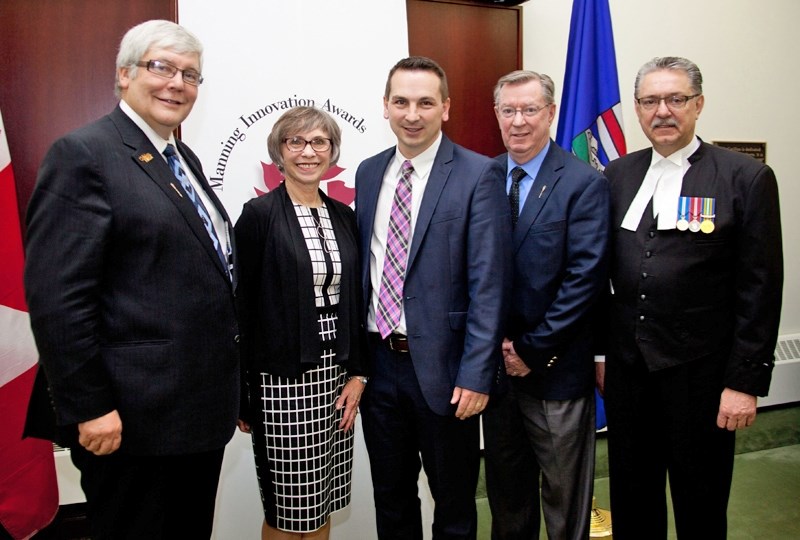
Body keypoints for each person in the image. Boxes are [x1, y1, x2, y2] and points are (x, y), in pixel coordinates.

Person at [23, 20, 239, 539]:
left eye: (190, 75)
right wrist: (91, 406)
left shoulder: (180, 157)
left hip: (191, 415)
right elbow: (59, 299)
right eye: (160, 67)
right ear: (124, 75)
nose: (177, 83)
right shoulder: (84, 154)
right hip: (130, 421)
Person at [600, 56, 784, 539]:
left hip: (701, 378)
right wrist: (600, 355)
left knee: (700, 504)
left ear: (698, 104)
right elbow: (600, 277)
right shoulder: (615, 176)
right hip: (627, 375)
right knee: (632, 499)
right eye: (650, 101)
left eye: (675, 99)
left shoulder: (744, 178)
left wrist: (745, 382)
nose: (663, 111)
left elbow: (760, 288)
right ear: (637, 110)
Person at [355, 56, 512, 540]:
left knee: (455, 506)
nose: (412, 114)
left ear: (445, 107)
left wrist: (476, 373)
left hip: (446, 373)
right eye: (401, 102)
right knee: (392, 499)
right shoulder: (367, 172)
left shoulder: (478, 174)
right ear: (385, 107)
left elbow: (490, 283)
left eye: (425, 102)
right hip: (378, 369)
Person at [481, 70, 610, 540]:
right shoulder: (482, 176)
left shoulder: (582, 183)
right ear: (496, 114)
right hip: (494, 374)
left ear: (551, 113)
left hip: (554, 370)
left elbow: (585, 279)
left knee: (564, 499)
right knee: (506, 496)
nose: (518, 121)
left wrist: (531, 351)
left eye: (530, 109)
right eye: (508, 110)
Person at [234, 106, 367, 540]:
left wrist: (357, 375)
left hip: (336, 377)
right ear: (279, 152)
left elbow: (357, 301)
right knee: (287, 510)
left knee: (322, 497)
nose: (308, 152)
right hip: (281, 381)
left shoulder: (346, 217)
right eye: (296, 142)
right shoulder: (257, 215)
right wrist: (243, 391)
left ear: (331, 152)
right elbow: (241, 307)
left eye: (319, 142)